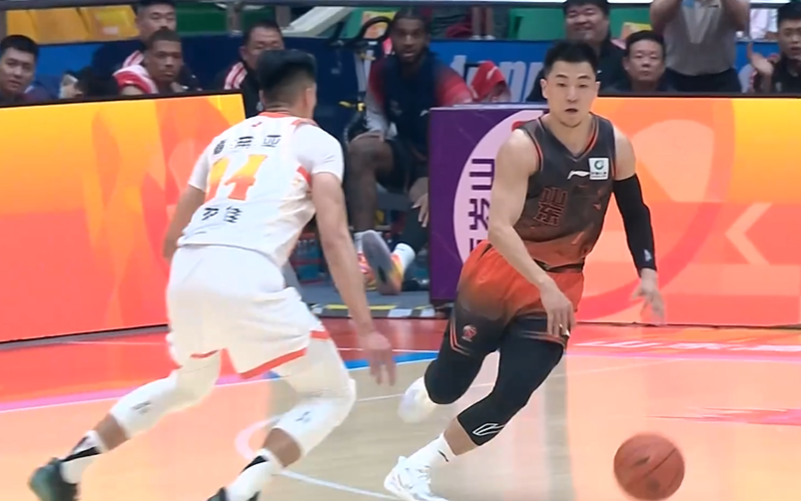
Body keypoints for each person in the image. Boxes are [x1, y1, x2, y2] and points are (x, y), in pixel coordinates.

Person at [28, 49, 396, 501]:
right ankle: (239, 493)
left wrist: (209, 283)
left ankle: (65, 470)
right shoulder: (317, 143)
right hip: (246, 272)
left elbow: (171, 239)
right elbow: (335, 238)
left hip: (188, 268)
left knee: (188, 383)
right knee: (332, 394)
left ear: (262, 95)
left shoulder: (224, 140)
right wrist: (367, 328)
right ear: (309, 95)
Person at [384, 41, 665, 501]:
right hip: (500, 275)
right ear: (545, 88)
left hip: (562, 283)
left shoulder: (615, 145)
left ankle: (415, 468)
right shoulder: (522, 146)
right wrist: (543, 283)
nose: (572, 94)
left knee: (513, 393)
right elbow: (498, 228)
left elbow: (636, 212)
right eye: (562, 84)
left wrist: (648, 271)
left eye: (582, 84)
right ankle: (431, 388)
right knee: (449, 386)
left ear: (595, 89)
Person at [347, 8, 474, 294]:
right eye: (401, 34)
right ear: (391, 37)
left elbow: (466, 134)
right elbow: (375, 108)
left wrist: (441, 181)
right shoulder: (382, 70)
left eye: (415, 35)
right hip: (405, 155)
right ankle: (363, 257)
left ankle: (396, 265)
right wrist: (378, 129)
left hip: (442, 161)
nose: (407, 41)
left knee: (434, 197)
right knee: (360, 150)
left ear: (426, 39)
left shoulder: (444, 78)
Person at [122, 0, 199, 90]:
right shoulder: (132, 69)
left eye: (170, 18)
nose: (164, 24)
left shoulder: (186, 58)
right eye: (156, 18)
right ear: (138, 23)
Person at [216, 19, 285, 117]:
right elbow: (229, 121)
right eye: (260, 47)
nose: (268, 53)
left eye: (275, 47)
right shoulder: (233, 81)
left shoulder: (293, 75)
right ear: (244, 53)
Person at [114, 29, 185, 95]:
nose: (169, 63)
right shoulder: (132, 78)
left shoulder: (177, 83)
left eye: (176, 56)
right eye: (161, 56)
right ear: (146, 58)